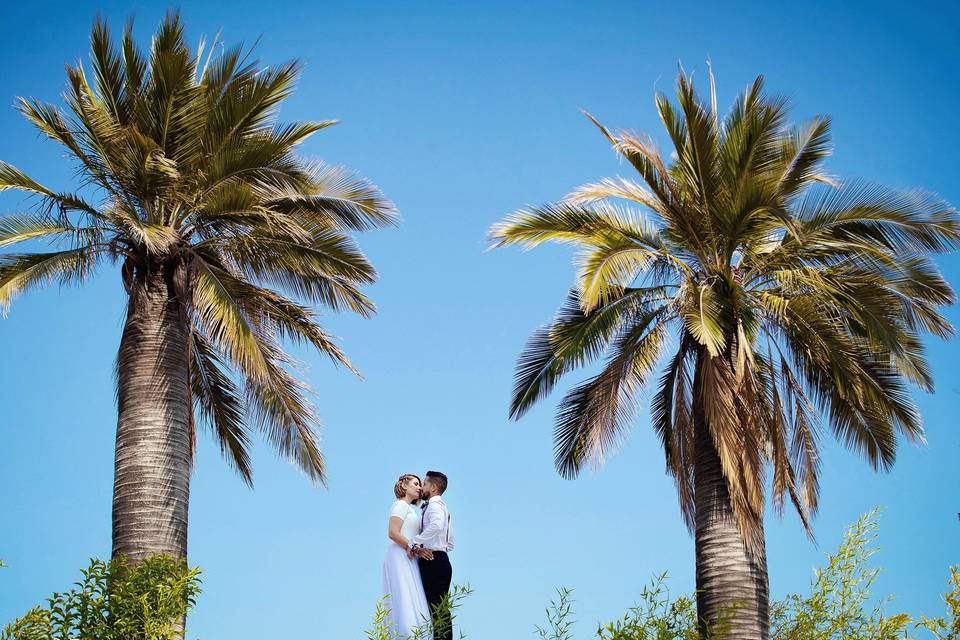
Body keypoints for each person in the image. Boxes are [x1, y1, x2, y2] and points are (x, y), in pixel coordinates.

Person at [383, 474, 432, 639]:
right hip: (399, 556)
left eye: (420, 484)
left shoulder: (410, 509)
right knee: (404, 596)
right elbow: (393, 533)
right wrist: (415, 548)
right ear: (404, 486)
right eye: (415, 484)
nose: (419, 487)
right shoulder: (400, 505)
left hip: (408, 556)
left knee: (411, 597)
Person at [408, 471, 455, 640]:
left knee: (437, 607)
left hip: (433, 561)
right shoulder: (439, 506)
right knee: (437, 606)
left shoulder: (435, 506)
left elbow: (436, 525)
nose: (422, 487)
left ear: (434, 487)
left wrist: (416, 541)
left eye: (425, 484)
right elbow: (451, 542)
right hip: (440, 559)